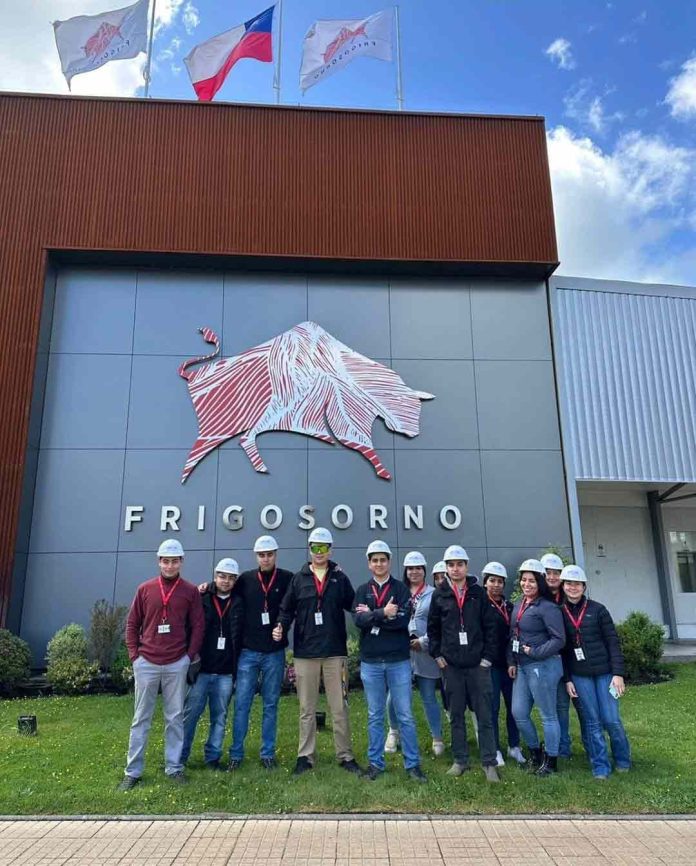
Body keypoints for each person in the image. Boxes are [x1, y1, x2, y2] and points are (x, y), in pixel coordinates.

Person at [274, 527, 362, 776]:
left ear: (330, 550)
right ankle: (305, 757)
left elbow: (355, 606)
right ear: (310, 549)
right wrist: (281, 626)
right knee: (306, 709)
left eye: (324, 547)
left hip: (335, 652)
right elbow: (286, 609)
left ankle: (345, 756)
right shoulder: (299, 578)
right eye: (315, 547)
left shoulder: (339, 578)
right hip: (305, 653)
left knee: (339, 707)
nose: (319, 551)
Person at [120, 539, 204, 790]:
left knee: (175, 717)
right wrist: (135, 656)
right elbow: (132, 624)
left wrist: (188, 657)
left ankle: (174, 768)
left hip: (176, 662)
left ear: (181, 562)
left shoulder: (189, 591)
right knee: (140, 718)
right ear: (159, 562)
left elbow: (198, 625)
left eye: (174, 561)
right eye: (165, 561)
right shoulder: (145, 589)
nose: (169, 565)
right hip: (147, 662)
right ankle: (132, 771)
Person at [353, 542, 427, 782]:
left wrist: (372, 615)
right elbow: (358, 621)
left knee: (404, 714)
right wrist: (383, 613)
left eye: (382, 560)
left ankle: (412, 764)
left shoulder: (401, 589)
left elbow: (402, 622)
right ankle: (376, 764)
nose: (378, 564)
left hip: (398, 661)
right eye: (374, 560)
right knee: (375, 715)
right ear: (369, 563)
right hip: (371, 662)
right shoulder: (363, 589)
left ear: (389, 562)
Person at [427, 544, 501, 783]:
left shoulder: (478, 593)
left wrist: (487, 658)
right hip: (452, 666)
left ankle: (489, 763)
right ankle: (460, 760)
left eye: (459, 564)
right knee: (456, 715)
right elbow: (433, 628)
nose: (455, 569)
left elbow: (491, 627)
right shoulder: (439, 593)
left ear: (466, 566)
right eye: (451, 565)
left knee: (484, 715)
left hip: (478, 666)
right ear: (446, 568)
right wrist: (438, 656)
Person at [560, 564, 631, 780]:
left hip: (605, 674)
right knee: (591, 721)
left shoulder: (598, 609)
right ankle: (600, 765)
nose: (573, 587)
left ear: (584, 586)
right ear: (563, 586)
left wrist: (618, 674)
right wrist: (567, 679)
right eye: (569, 583)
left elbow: (613, 642)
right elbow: (562, 651)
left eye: (577, 584)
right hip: (580, 676)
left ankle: (622, 759)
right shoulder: (559, 613)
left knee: (611, 719)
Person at [229, 535, 294, 770]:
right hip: (248, 652)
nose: (265, 558)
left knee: (270, 704)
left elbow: (294, 605)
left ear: (275, 554)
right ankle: (236, 754)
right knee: (242, 703)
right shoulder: (245, 579)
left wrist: (283, 626)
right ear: (256, 556)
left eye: (269, 554)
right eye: (261, 555)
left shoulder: (287, 578)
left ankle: (267, 753)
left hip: (274, 653)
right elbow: (223, 589)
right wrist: (207, 587)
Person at [181, 558, 243, 768]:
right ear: (215, 576)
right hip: (202, 670)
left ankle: (213, 758)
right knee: (190, 716)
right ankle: (180, 756)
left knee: (219, 717)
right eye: (222, 576)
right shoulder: (202, 597)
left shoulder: (239, 602)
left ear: (235, 580)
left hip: (225, 672)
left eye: (230, 578)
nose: (225, 581)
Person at [507, 558, 566, 776]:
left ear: (539, 582)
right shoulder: (520, 603)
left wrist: (536, 652)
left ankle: (551, 762)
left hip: (543, 666)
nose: (527, 584)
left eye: (532, 581)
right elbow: (513, 634)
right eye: (524, 580)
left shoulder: (548, 607)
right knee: (518, 713)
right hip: (522, 666)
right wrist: (512, 660)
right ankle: (536, 752)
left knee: (547, 715)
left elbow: (559, 639)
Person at [385, 551, 444, 757]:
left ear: (424, 571)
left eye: (418, 568)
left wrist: (424, 641)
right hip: (401, 652)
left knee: (429, 696)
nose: (414, 571)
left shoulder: (433, 593)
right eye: (411, 568)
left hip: (424, 651)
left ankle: (437, 737)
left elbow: (439, 623)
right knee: (394, 695)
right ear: (406, 571)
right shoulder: (398, 592)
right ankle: (393, 732)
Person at [481, 561, 525, 767]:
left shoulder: (509, 606)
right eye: (492, 581)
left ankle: (514, 746)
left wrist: (512, 660)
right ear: (485, 583)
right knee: (492, 708)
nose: (496, 585)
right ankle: (495, 750)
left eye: (500, 581)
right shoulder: (480, 605)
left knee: (513, 708)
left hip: (510, 664)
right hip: (490, 665)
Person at [541, 552, 573, 758]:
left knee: (562, 705)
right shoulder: (537, 597)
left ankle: (564, 746)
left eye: (556, 573)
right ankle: (552, 743)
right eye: (548, 573)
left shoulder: (569, 598)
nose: (552, 577)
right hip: (543, 659)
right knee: (547, 707)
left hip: (567, 660)